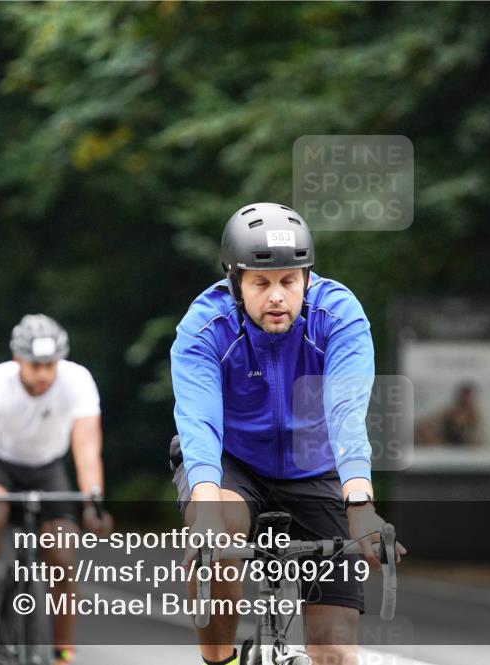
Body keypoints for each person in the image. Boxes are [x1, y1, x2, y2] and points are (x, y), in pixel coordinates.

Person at [170, 202, 405, 665]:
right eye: (261, 283)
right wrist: (205, 508)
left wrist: (360, 504)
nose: (276, 296)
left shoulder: (338, 316)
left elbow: (345, 411)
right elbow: (199, 422)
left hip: (314, 463)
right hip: (231, 463)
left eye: (289, 281)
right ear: (235, 281)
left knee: (335, 649)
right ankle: (220, 660)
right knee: (221, 541)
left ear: (307, 278)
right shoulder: (204, 325)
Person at [0, 314, 112, 665]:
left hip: (47, 469)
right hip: (2, 465)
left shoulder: (77, 381)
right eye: (35, 365)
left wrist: (93, 504)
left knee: (63, 557)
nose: (43, 374)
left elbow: (86, 450)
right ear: (17, 360)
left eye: (50, 365)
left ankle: (62, 652)